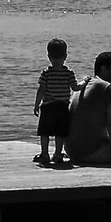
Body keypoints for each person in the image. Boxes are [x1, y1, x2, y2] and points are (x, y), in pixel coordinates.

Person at [33, 38, 77, 167]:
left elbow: (41, 90)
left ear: (49, 57)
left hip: (48, 106)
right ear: (65, 56)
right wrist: (85, 82)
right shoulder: (68, 73)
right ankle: (58, 154)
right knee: (60, 132)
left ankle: (45, 154)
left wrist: (36, 105)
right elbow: (75, 87)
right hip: (63, 106)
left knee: (44, 132)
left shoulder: (46, 73)